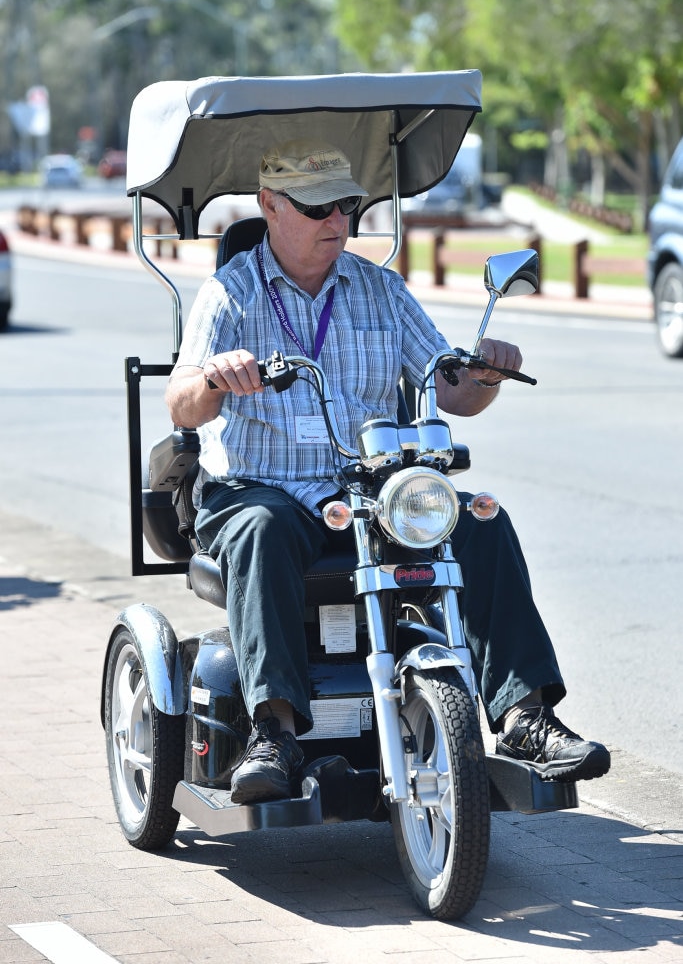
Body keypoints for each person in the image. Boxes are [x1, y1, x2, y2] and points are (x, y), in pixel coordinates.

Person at [166, 139, 610, 805]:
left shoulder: (379, 289)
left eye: (346, 205)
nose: (336, 222)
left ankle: (523, 715)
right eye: (317, 208)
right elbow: (180, 404)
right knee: (263, 526)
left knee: (480, 519)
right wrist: (214, 377)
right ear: (268, 206)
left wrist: (485, 373)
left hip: (368, 495)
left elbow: (453, 390)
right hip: (260, 490)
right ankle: (273, 731)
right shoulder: (229, 292)